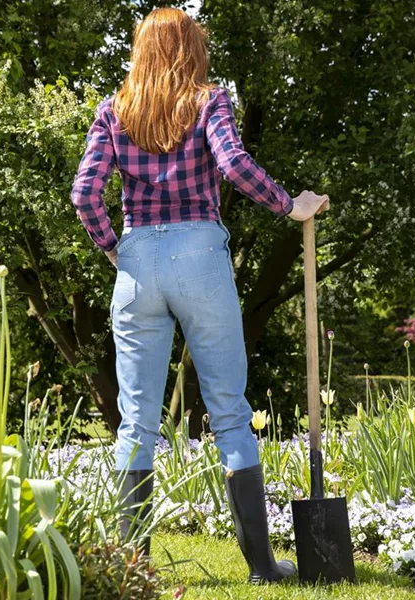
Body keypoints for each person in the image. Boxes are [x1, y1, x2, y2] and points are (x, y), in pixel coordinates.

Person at [70, 7, 329, 585]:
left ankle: (125, 570)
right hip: (200, 258)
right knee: (231, 414)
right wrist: (292, 205)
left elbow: (84, 194)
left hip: (138, 261)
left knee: (135, 423)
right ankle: (263, 569)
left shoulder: (114, 109)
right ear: (192, 49)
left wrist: (114, 250)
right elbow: (233, 165)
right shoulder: (209, 100)